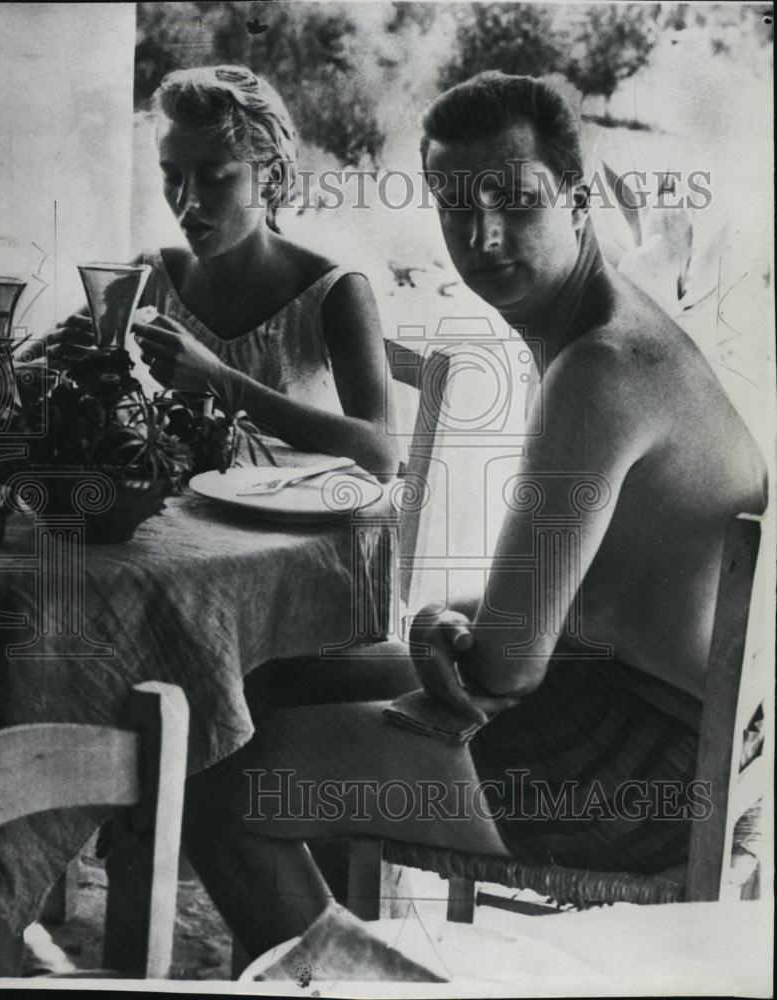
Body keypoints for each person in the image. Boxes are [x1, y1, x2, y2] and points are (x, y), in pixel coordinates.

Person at [176, 72, 768, 960]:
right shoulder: (607, 327)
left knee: (214, 782)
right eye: (454, 206)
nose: (481, 235)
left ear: (575, 200)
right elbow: (543, 613)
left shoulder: (601, 366)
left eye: (514, 200)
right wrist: (458, 632)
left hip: (640, 771)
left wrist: (443, 633)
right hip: (667, 714)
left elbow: (506, 664)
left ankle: (342, 980)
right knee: (263, 687)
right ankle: (354, 944)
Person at [37, 64, 398, 476]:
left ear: (271, 177)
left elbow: (382, 453)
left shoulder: (333, 290)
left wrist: (220, 380)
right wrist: (47, 361)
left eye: (213, 179)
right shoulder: (150, 275)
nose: (186, 202)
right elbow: (25, 364)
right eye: (172, 176)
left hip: (293, 523)